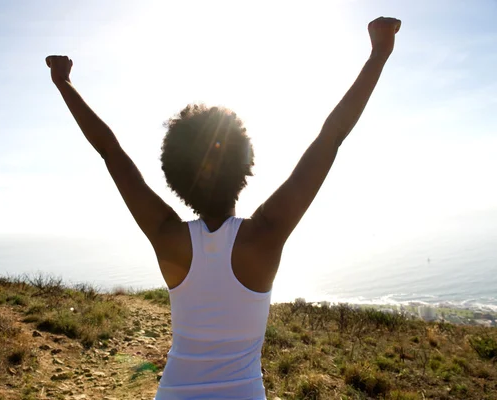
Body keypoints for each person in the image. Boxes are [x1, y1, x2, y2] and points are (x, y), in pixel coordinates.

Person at [46, 16, 401, 400]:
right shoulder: (264, 235)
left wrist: (64, 84)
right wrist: (378, 54)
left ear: (175, 175)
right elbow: (330, 137)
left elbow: (110, 152)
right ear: (245, 163)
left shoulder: (169, 237)